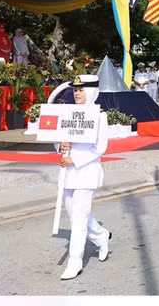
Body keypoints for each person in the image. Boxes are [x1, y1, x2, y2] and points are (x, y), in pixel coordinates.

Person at [56, 75, 111, 280]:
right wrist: (60, 146)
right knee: (76, 214)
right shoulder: (69, 112)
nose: (77, 93)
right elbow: (59, 138)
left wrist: (75, 159)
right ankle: (101, 235)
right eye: (76, 90)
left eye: (82, 90)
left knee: (78, 217)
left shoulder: (99, 116)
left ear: (93, 91)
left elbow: (100, 148)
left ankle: (75, 261)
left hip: (86, 171)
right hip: (68, 171)